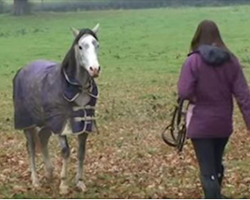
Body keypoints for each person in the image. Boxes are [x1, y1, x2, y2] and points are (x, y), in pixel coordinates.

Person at [177, 20, 250, 198]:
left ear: (197, 36)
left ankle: (213, 196)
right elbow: (244, 96)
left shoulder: (193, 61)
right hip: (223, 123)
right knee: (217, 164)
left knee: (207, 170)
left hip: (200, 124)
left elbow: (184, 91)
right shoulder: (231, 61)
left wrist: (194, 96)